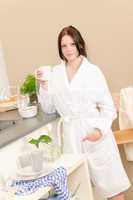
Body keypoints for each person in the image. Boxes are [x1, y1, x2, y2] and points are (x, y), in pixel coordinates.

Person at [37, 26, 131, 200]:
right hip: (71, 137)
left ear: (79, 44)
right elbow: (49, 108)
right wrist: (44, 87)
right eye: (64, 45)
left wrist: (99, 131)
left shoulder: (93, 71)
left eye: (72, 44)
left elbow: (109, 108)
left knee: (113, 188)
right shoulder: (55, 73)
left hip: (94, 134)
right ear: (60, 48)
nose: (68, 49)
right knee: (79, 190)